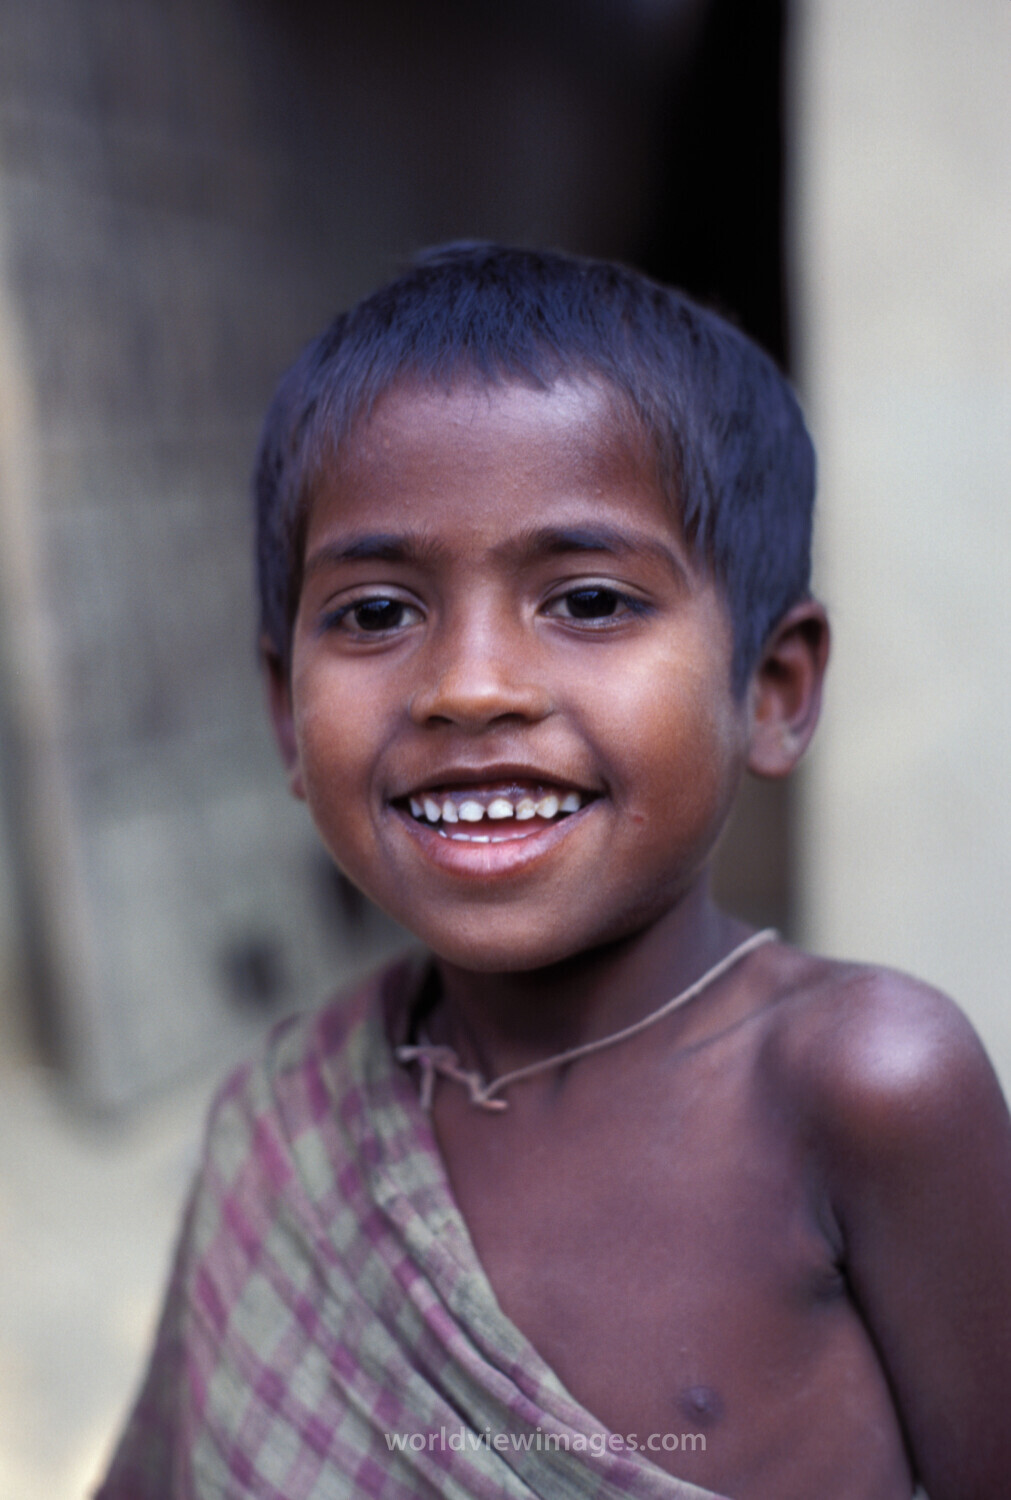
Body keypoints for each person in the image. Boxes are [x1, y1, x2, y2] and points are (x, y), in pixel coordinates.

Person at [96, 244, 1011, 1500]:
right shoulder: (285, 1129)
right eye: (374, 614)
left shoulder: (868, 1088)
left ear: (774, 690)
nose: (471, 685)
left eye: (587, 600)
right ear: (282, 712)